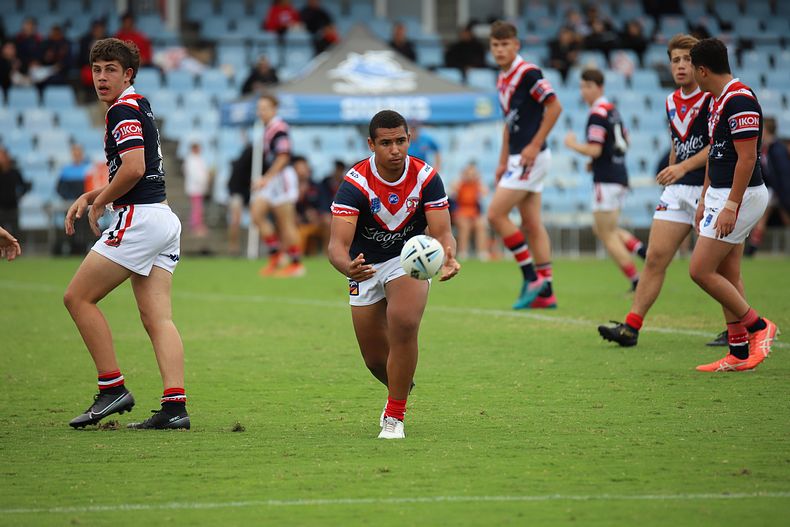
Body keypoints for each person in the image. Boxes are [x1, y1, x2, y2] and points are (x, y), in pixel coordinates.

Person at [63, 38, 189, 429]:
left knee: (78, 298)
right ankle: (174, 408)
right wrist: (95, 194)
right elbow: (136, 169)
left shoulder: (122, 109)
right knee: (158, 318)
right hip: (162, 218)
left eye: (111, 70)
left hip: (141, 219)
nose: (102, 77)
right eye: (97, 70)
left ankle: (111, 387)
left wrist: (100, 200)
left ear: (128, 74)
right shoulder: (139, 104)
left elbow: (133, 168)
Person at [327, 110, 460, 439]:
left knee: (404, 323)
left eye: (401, 141)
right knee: (374, 358)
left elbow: (443, 232)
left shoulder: (426, 178)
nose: (395, 149)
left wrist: (448, 255)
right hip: (365, 266)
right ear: (371, 144)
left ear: (409, 139)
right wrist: (348, 267)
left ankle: (395, 416)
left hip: (409, 261)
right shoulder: (355, 183)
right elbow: (335, 246)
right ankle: (401, 381)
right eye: (386, 143)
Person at [598, 34, 729, 347]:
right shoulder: (670, 100)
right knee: (655, 257)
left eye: (687, 60)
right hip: (678, 190)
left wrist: (682, 167)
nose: (681, 66)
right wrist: (674, 167)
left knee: (721, 266)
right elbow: (677, 142)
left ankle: (738, 327)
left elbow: (716, 145)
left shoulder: (712, 97)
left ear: (699, 66)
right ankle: (631, 327)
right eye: (676, 60)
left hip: (709, 189)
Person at [688, 38, 777, 372]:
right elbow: (716, 154)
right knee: (727, 273)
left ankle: (758, 326)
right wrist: (704, 197)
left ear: (702, 69)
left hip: (741, 196)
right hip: (720, 194)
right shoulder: (717, 100)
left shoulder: (739, 100)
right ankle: (738, 353)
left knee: (699, 270)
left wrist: (730, 206)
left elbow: (747, 158)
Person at [487, 21, 563, 309]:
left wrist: (534, 144)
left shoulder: (528, 73)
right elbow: (509, 125)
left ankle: (531, 276)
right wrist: (502, 159)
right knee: (531, 224)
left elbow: (554, 106)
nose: (500, 50)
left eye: (505, 44)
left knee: (495, 215)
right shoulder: (502, 78)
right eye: (495, 45)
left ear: (516, 46)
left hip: (531, 156)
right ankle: (547, 293)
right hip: (518, 157)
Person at [565, 68, 646, 292]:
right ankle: (641, 251)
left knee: (605, 232)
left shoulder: (597, 113)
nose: (584, 91)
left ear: (599, 87)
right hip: (619, 175)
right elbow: (623, 142)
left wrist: (572, 145)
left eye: (588, 86)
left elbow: (594, 148)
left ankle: (637, 280)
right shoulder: (613, 110)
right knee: (605, 228)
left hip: (607, 179)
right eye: (582, 86)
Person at [250, 94, 304, 277]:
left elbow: (283, 156)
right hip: (274, 180)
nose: (260, 112)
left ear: (274, 109)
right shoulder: (269, 128)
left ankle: (297, 264)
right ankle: (277, 256)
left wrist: (266, 178)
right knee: (256, 213)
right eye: (259, 108)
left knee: (286, 222)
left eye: (264, 108)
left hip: (282, 178)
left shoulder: (279, 128)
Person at [746, 117, 790, 255]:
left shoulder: (777, 149)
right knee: (763, 218)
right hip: (772, 190)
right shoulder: (766, 148)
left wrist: (783, 192)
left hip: (779, 190)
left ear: (766, 130)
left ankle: (752, 247)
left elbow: (783, 173)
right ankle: (752, 247)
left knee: (784, 217)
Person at [451, 161, 489, 260]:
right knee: (464, 225)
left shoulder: (477, 185)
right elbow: (452, 194)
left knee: (481, 224)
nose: (470, 176)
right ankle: (463, 252)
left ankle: (482, 252)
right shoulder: (460, 184)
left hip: (474, 213)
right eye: (468, 174)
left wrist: (478, 182)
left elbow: (485, 193)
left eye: (473, 174)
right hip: (460, 212)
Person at [182, 141, 211, 236]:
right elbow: (195, 175)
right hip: (195, 187)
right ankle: (195, 226)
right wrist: (204, 180)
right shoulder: (191, 160)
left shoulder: (197, 159)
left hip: (199, 187)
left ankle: (195, 224)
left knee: (198, 207)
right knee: (197, 208)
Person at [0, 145, 28, 237]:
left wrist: (19, 196)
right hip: (1, 208)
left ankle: (16, 250)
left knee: (15, 233)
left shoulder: (14, 172)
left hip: (13, 207)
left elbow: (24, 186)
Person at [317, 159, 345, 249]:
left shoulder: (346, 183)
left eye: (340, 170)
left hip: (343, 213)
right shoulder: (325, 183)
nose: (337, 172)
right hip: (327, 212)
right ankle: (326, 249)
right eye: (336, 169)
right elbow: (322, 200)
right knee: (327, 220)